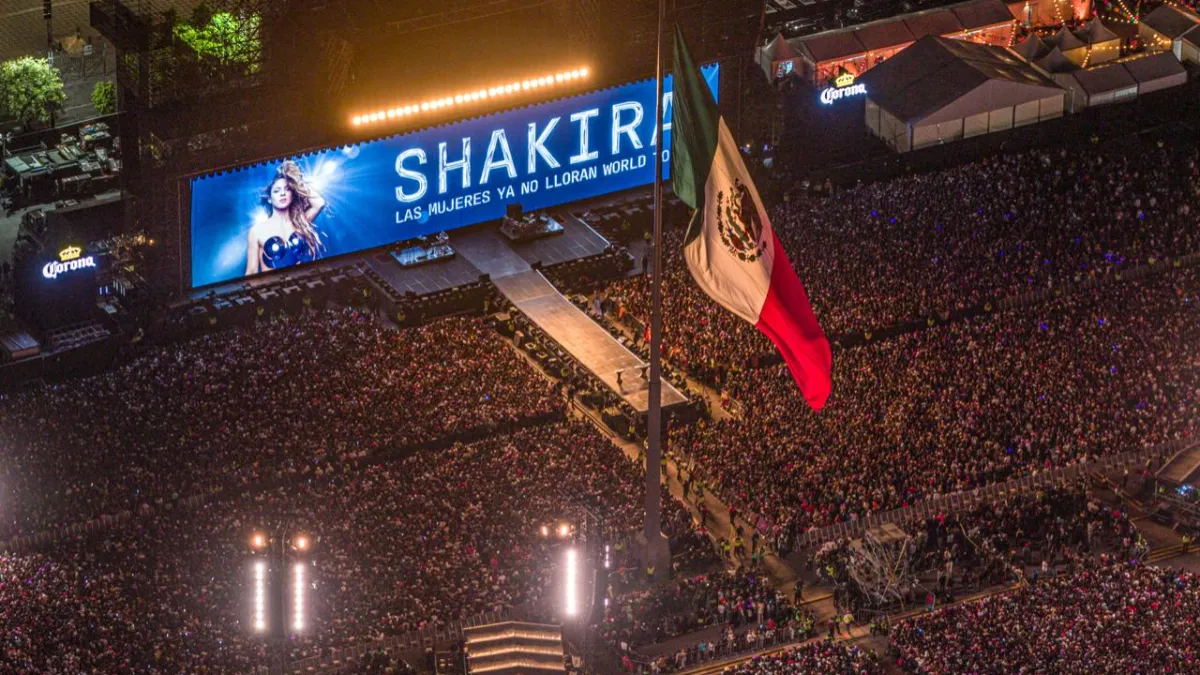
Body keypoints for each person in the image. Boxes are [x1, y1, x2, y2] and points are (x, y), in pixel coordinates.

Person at [245, 160, 327, 275]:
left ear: (292, 194)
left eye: (287, 189)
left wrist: (296, 180)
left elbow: (319, 203)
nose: (282, 193)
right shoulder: (257, 231)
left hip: (300, 284)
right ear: (269, 198)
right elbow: (251, 271)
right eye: (277, 191)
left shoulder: (300, 223)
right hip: (272, 288)